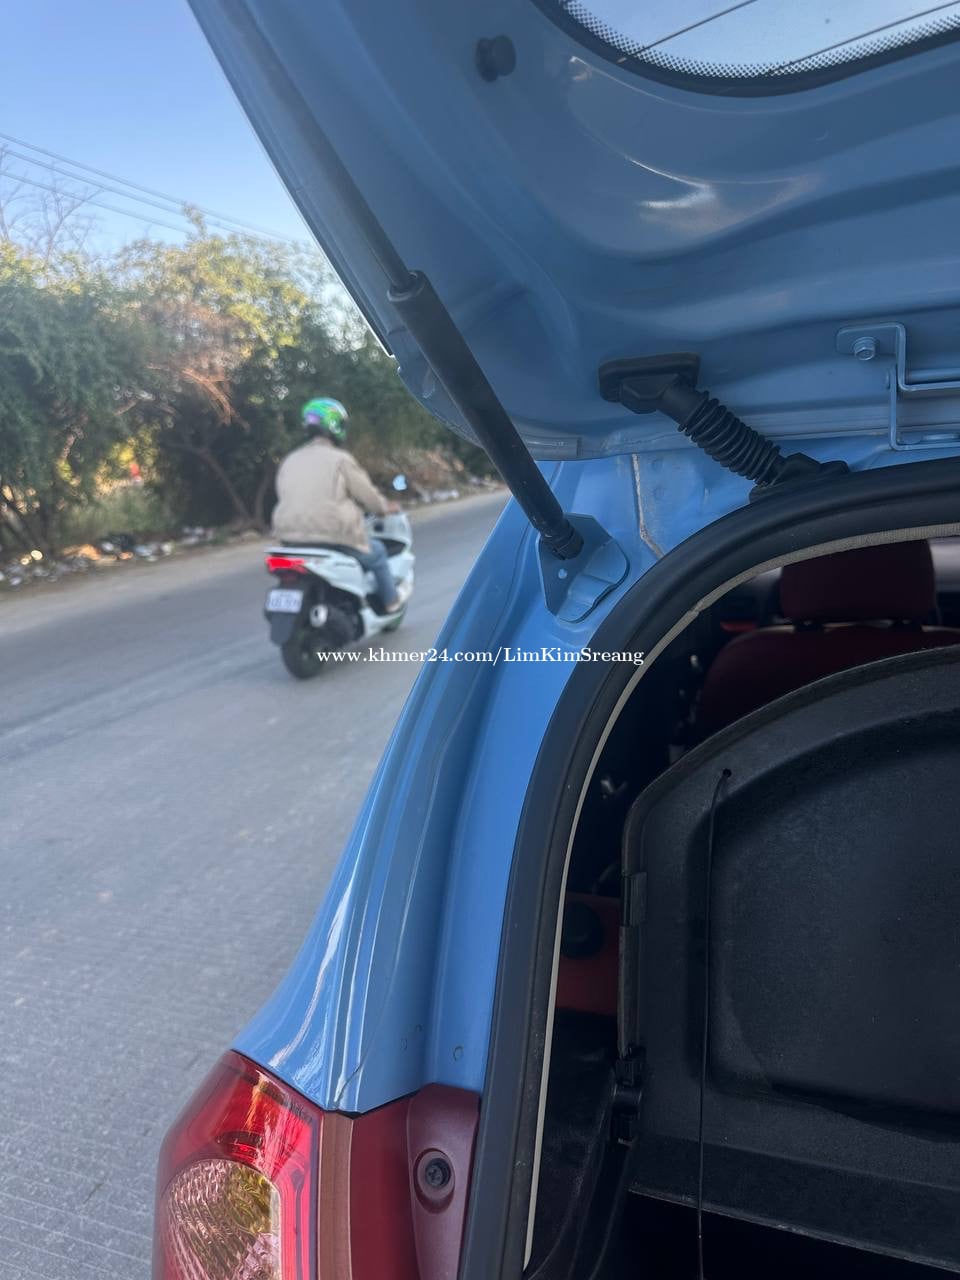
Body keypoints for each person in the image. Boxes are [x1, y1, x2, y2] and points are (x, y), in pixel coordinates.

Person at [271, 398, 403, 611]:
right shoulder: (340, 459)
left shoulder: (290, 460)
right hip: (332, 537)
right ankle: (391, 602)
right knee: (378, 552)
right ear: (334, 425)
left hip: (289, 539)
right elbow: (367, 496)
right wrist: (384, 508)